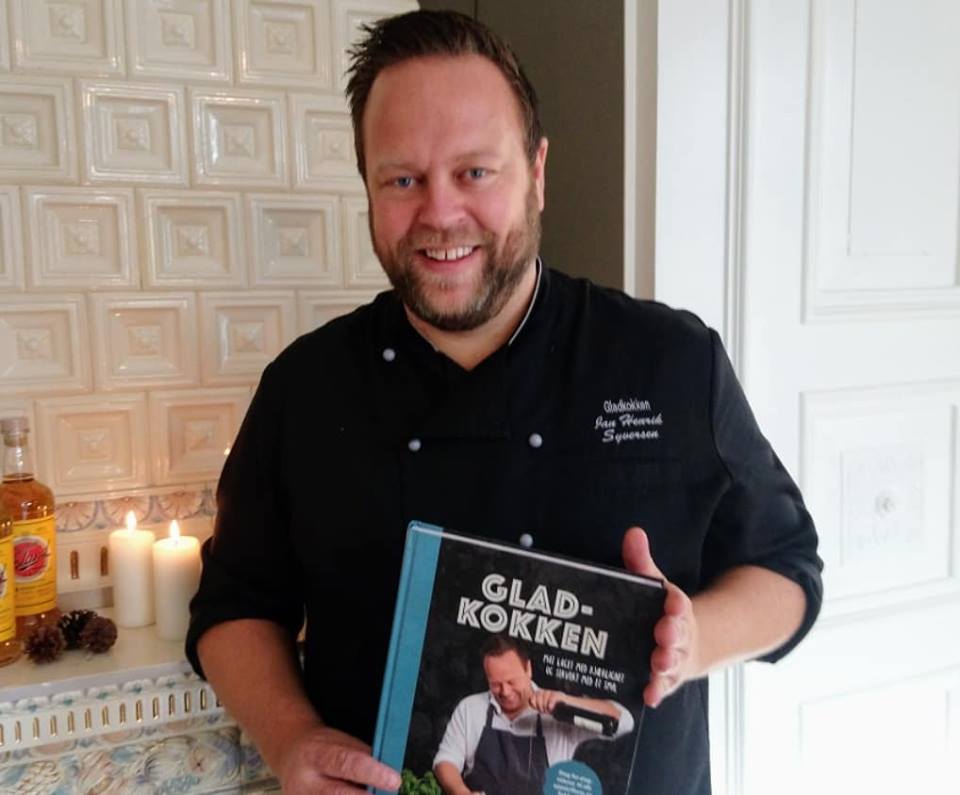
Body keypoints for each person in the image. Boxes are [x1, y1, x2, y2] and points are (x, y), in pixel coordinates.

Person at [186, 10, 823, 795]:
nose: (439, 213)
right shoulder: (304, 388)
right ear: (367, 187)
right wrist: (291, 737)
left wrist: (692, 641)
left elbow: (788, 569)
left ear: (537, 171)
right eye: (402, 179)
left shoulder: (671, 361)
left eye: (475, 172)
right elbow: (233, 607)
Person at [433, 635, 635, 795]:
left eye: (511, 681)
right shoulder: (470, 708)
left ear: (528, 669)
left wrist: (568, 701)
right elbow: (446, 759)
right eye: (495, 684)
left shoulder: (560, 713)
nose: (505, 691)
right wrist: (461, 792)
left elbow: (624, 722)